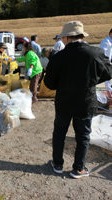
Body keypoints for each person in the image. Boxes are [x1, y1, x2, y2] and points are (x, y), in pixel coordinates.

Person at [44, 21, 112, 179]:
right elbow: (108, 72)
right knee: (83, 135)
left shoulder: (59, 56)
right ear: (82, 36)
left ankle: (57, 164)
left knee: (60, 132)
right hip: (86, 101)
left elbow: (49, 84)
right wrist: (92, 80)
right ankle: (78, 168)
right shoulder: (96, 53)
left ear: (67, 37)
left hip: (64, 102)